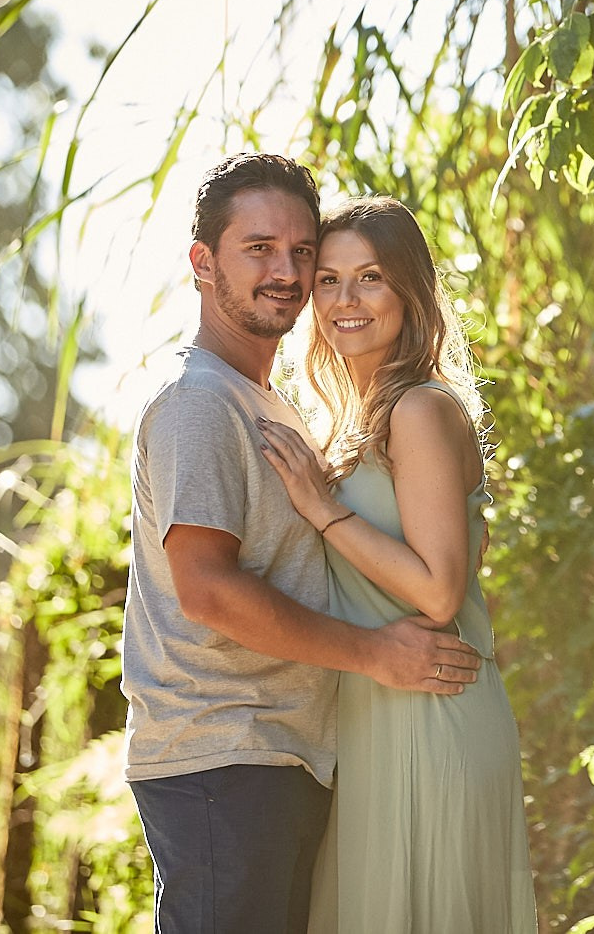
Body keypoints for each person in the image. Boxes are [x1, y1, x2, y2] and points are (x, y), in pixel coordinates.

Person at [124, 153, 482, 934]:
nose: (285, 271)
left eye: (299, 253)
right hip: (223, 756)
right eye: (258, 248)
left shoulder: (273, 407)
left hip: (288, 757)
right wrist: (374, 654)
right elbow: (208, 590)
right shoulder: (198, 403)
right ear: (202, 261)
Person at [255, 195, 537, 933]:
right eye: (330, 279)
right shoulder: (354, 421)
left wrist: (323, 509)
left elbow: (440, 590)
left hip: (433, 715)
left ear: (409, 291)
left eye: (370, 277)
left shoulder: (418, 408)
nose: (346, 299)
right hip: (374, 718)